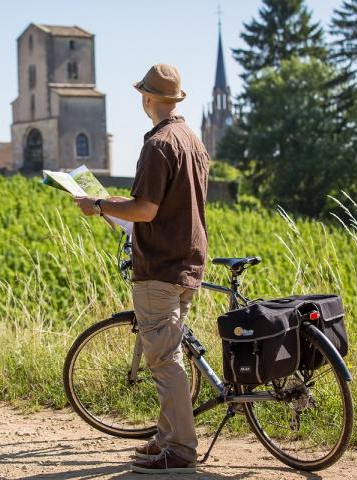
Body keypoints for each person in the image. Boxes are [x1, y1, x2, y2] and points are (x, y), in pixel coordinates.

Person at [74, 63, 209, 474]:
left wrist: (98, 205)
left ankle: (181, 449)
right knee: (171, 354)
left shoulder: (158, 144)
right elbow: (162, 203)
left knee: (164, 360)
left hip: (159, 267)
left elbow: (146, 210)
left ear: (147, 98)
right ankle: (167, 438)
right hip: (187, 262)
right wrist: (119, 203)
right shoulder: (192, 140)